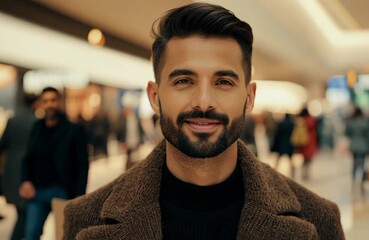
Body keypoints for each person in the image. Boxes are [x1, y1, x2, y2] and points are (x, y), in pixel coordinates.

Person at [63, 3, 344, 239]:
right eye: (184, 81)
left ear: (249, 97)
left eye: (223, 81)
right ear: (154, 96)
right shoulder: (85, 219)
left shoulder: (319, 219)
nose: (204, 102)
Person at [19, 87, 89, 240]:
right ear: (41, 104)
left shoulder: (74, 130)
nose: (49, 104)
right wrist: (25, 181)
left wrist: (79, 198)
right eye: (45, 101)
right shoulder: (36, 128)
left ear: (59, 102)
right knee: (31, 235)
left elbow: (82, 166)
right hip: (38, 192)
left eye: (53, 100)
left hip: (63, 192)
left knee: (66, 236)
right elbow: (27, 159)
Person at [0, 94, 37, 240]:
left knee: (22, 210)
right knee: (25, 211)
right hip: (29, 170)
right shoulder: (36, 122)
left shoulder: (13, 120)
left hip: (12, 170)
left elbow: (2, 145)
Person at [345, 107, 369, 188]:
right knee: (362, 164)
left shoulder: (351, 122)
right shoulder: (365, 122)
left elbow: (347, 133)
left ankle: (354, 179)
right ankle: (362, 181)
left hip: (354, 145)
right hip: (364, 146)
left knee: (354, 163)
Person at [296, 107, 319, 180]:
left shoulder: (302, 120)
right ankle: (307, 173)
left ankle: (303, 173)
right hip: (311, 140)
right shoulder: (312, 119)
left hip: (303, 141)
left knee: (304, 159)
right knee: (309, 158)